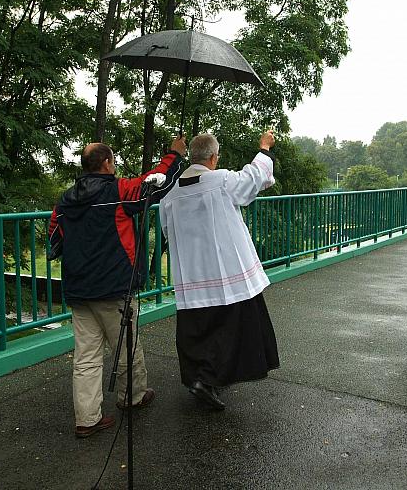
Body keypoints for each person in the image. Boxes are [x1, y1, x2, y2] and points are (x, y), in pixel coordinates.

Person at [48, 137, 186, 437]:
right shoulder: (119, 191)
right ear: (107, 163)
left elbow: (53, 241)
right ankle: (132, 397)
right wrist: (174, 154)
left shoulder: (65, 200)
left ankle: (87, 419)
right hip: (114, 289)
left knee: (85, 357)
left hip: (79, 291)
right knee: (127, 346)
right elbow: (156, 183)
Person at [159, 131, 280, 410]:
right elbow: (254, 178)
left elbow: (167, 230)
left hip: (192, 274)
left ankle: (198, 378)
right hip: (225, 271)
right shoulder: (221, 180)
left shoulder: (172, 193)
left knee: (197, 329)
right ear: (213, 157)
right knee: (228, 328)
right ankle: (212, 378)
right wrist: (264, 148)